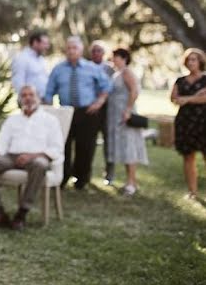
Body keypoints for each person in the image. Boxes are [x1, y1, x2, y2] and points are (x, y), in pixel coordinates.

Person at [0, 85, 63, 230]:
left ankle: (22, 213)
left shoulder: (50, 120)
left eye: (31, 95)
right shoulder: (12, 120)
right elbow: (1, 143)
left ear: (38, 98)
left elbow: (56, 148)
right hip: (11, 157)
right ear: (20, 99)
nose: (28, 98)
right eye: (24, 95)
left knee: (40, 165)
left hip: (37, 158)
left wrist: (31, 156)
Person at [43, 36, 110, 191]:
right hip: (65, 112)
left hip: (87, 112)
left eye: (75, 48)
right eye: (69, 48)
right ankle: (62, 178)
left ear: (81, 50)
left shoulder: (92, 68)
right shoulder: (58, 69)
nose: (71, 51)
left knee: (85, 147)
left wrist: (99, 102)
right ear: (66, 50)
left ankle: (81, 180)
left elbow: (106, 86)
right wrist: (50, 110)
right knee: (62, 147)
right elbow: (49, 92)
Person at [106, 48, 148, 196]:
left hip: (125, 115)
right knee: (124, 148)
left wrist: (128, 110)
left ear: (123, 58)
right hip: (116, 115)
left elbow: (134, 91)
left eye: (115, 57)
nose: (113, 59)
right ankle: (131, 181)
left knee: (129, 147)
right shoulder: (116, 73)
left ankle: (131, 182)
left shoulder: (126, 72)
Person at [170, 48, 206, 199]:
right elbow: (174, 98)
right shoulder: (180, 80)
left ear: (200, 62)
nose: (191, 62)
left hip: (203, 121)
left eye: (194, 59)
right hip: (185, 122)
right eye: (189, 60)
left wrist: (187, 99)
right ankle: (192, 191)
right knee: (188, 157)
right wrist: (185, 99)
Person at [90, 40, 117, 184]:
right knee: (89, 142)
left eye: (99, 50)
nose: (96, 53)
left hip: (107, 110)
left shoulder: (110, 69)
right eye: (93, 51)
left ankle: (109, 174)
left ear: (103, 53)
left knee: (109, 142)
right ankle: (85, 173)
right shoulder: (86, 67)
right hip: (91, 109)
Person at [10, 29, 51, 100]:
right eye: (44, 43)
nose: (47, 47)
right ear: (35, 43)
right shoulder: (22, 58)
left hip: (43, 100)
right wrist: (26, 100)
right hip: (30, 102)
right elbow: (18, 82)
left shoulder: (41, 59)